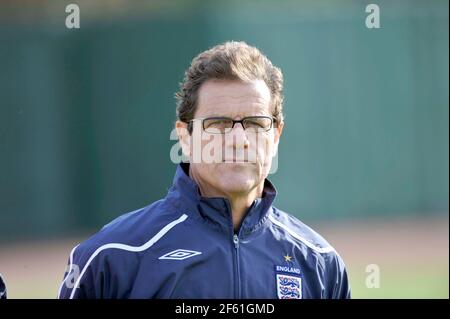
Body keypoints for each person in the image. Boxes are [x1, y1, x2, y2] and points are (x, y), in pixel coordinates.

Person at [58, 41, 350, 299]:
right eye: (218, 124)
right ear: (185, 136)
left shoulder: (320, 265)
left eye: (255, 123)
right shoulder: (113, 258)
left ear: (275, 136)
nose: (238, 140)